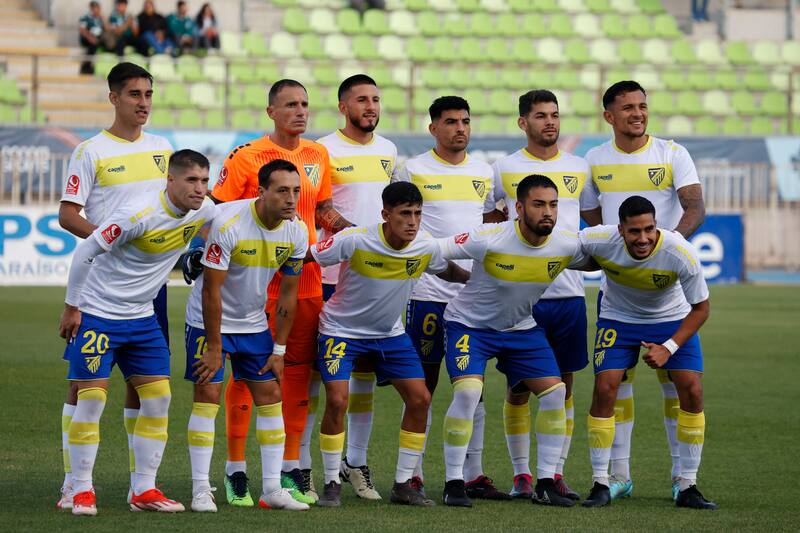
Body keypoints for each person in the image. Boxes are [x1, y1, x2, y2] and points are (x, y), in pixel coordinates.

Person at [207, 79, 351, 507]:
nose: (300, 111)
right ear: (271, 111)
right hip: (254, 287)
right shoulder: (247, 157)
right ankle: (236, 471)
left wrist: (351, 231)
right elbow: (218, 209)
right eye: (290, 104)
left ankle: (288, 471)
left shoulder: (318, 155)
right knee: (245, 380)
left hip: (304, 285)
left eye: (305, 104)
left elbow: (320, 210)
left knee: (296, 375)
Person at [58, 148, 215, 516]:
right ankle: (80, 490)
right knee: (92, 399)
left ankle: (143, 489)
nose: (200, 189)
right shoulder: (136, 215)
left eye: (205, 181)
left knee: (159, 398)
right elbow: (85, 253)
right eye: (192, 180)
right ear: (170, 180)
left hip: (142, 319)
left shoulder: (205, 209)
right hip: (98, 313)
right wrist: (72, 306)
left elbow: (234, 218)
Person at [57, 62, 174, 512]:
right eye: (133, 95)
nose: (143, 103)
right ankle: (74, 483)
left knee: (148, 388)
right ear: (113, 98)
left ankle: (141, 485)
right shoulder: (90, 151)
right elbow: (68, 214)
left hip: (148, 289)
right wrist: (106, 243)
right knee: (84, 387)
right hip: (98, 288)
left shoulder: (164, 149)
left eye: (148, 94)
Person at [581, 80, 706, 502]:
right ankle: (616, 477)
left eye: (643, 106)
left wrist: (662, 247)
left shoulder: (672, 153)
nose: (638, 113)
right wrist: (618, 249)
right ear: (609, 116)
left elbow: (695, 208)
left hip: (667, 296)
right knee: (613, 385)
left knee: (683, 386)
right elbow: (590, 216)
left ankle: (683, 481)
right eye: (628, 107)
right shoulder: (594, 160)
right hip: (619, 299)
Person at [309, 181, 469, 508]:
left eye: (417, 214)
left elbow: (446, 269)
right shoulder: (355, 240)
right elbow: (308, 258)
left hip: (389, 335)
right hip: (341, 330)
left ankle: (402, 485)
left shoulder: (424, 246)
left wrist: (473, 279)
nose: (412, 221)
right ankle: (330, 483)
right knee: (338, 400)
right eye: (404, 214)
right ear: (386, 214)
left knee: (421, 398)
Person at [439, 174, 586, 509]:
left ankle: (546, 482)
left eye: (553, 204)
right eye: (538, 204)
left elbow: (600, 254)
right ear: (518, 208)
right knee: (468, 392)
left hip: (520, 329)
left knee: (555, 392)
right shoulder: (488, 238)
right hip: (469, 327)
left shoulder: (564, 244)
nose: (548, 212)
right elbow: (435, 249)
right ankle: (453, 483)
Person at [393, 95, 503, 500]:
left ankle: (473, 473)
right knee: (422, 385)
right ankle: (414, 472)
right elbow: (399, 221)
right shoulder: (413, 169)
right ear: (433, 127)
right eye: (452, 121)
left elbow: (491, 219)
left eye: (466, 121)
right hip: (427, 293)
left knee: (471, 384)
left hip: (473, 298)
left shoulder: (484, 172)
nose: (460, 128)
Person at [184, 159, 310, 513]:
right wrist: (212, 346)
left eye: (296, 191)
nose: (291, 199)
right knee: (207, 394)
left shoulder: (296, 232)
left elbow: (288, 295)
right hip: (208, 322)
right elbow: (211, 290)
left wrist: (280, 348)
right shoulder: (229, 224)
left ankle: (272, 489)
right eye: (282, 191)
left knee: (270, 394)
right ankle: (200, 491)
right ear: (262, 192)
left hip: (253, 323)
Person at [579, 196, 716, 510]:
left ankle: (686, 483)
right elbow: (563, 248)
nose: (643, 238)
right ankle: (602, 481)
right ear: (620, 230)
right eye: (634, 231)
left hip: (671, 320)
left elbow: (702, 309)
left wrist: (669, 347)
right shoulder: (598, 238)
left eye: (649, 229)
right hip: (618, 319)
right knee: (604, 388)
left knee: (692, 391)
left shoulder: (680, 252)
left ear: (657, 226)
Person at [491, 89, 593, 501]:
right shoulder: (504, 168)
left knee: (564, 386)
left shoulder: (579, 168)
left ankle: (555, 472)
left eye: (554, 114)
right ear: (523, 123)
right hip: (520, 295)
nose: (549, 122)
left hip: (568, 294)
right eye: (540, 115)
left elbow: (592, 223)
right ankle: (522, 475)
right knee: (518, 387)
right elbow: (493, 221)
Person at [311, 74, 397, 501]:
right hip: (328, 279)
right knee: (320, 382)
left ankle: (355, 463)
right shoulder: (323, 149)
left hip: (375, 281)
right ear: (343, 106)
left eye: (376, 99)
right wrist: (358, 239)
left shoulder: (389, 151)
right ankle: (304, 468)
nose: (371, 106)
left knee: (363, 379)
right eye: (362, 99)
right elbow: (320, 208)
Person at [79, 1, 106, 74]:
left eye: (97, 8)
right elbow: (82, 30)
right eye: (94, 8)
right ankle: (86, 66)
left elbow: (107, 29)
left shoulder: (100, 18)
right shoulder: (85, 17)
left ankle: (90, 66)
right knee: (93, 45)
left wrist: (103, 19)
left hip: (98, 38)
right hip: (87, 38)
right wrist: (90, 37)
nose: (96, 10)